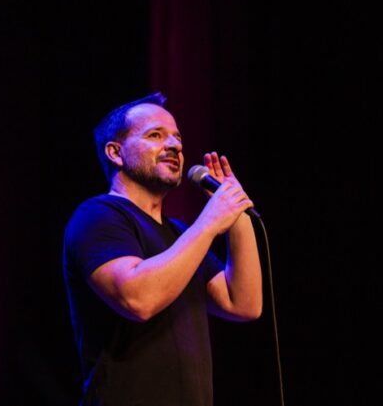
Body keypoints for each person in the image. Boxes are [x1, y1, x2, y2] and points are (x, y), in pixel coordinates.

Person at [62, 92, 263, 406]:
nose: (175, 146)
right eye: (155, 135)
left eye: (177, 138)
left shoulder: (180, 234)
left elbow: (244, 303)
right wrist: (209, 223)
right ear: (115, 152)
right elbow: (137, 299)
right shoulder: (97, 216)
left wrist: (235, 212)